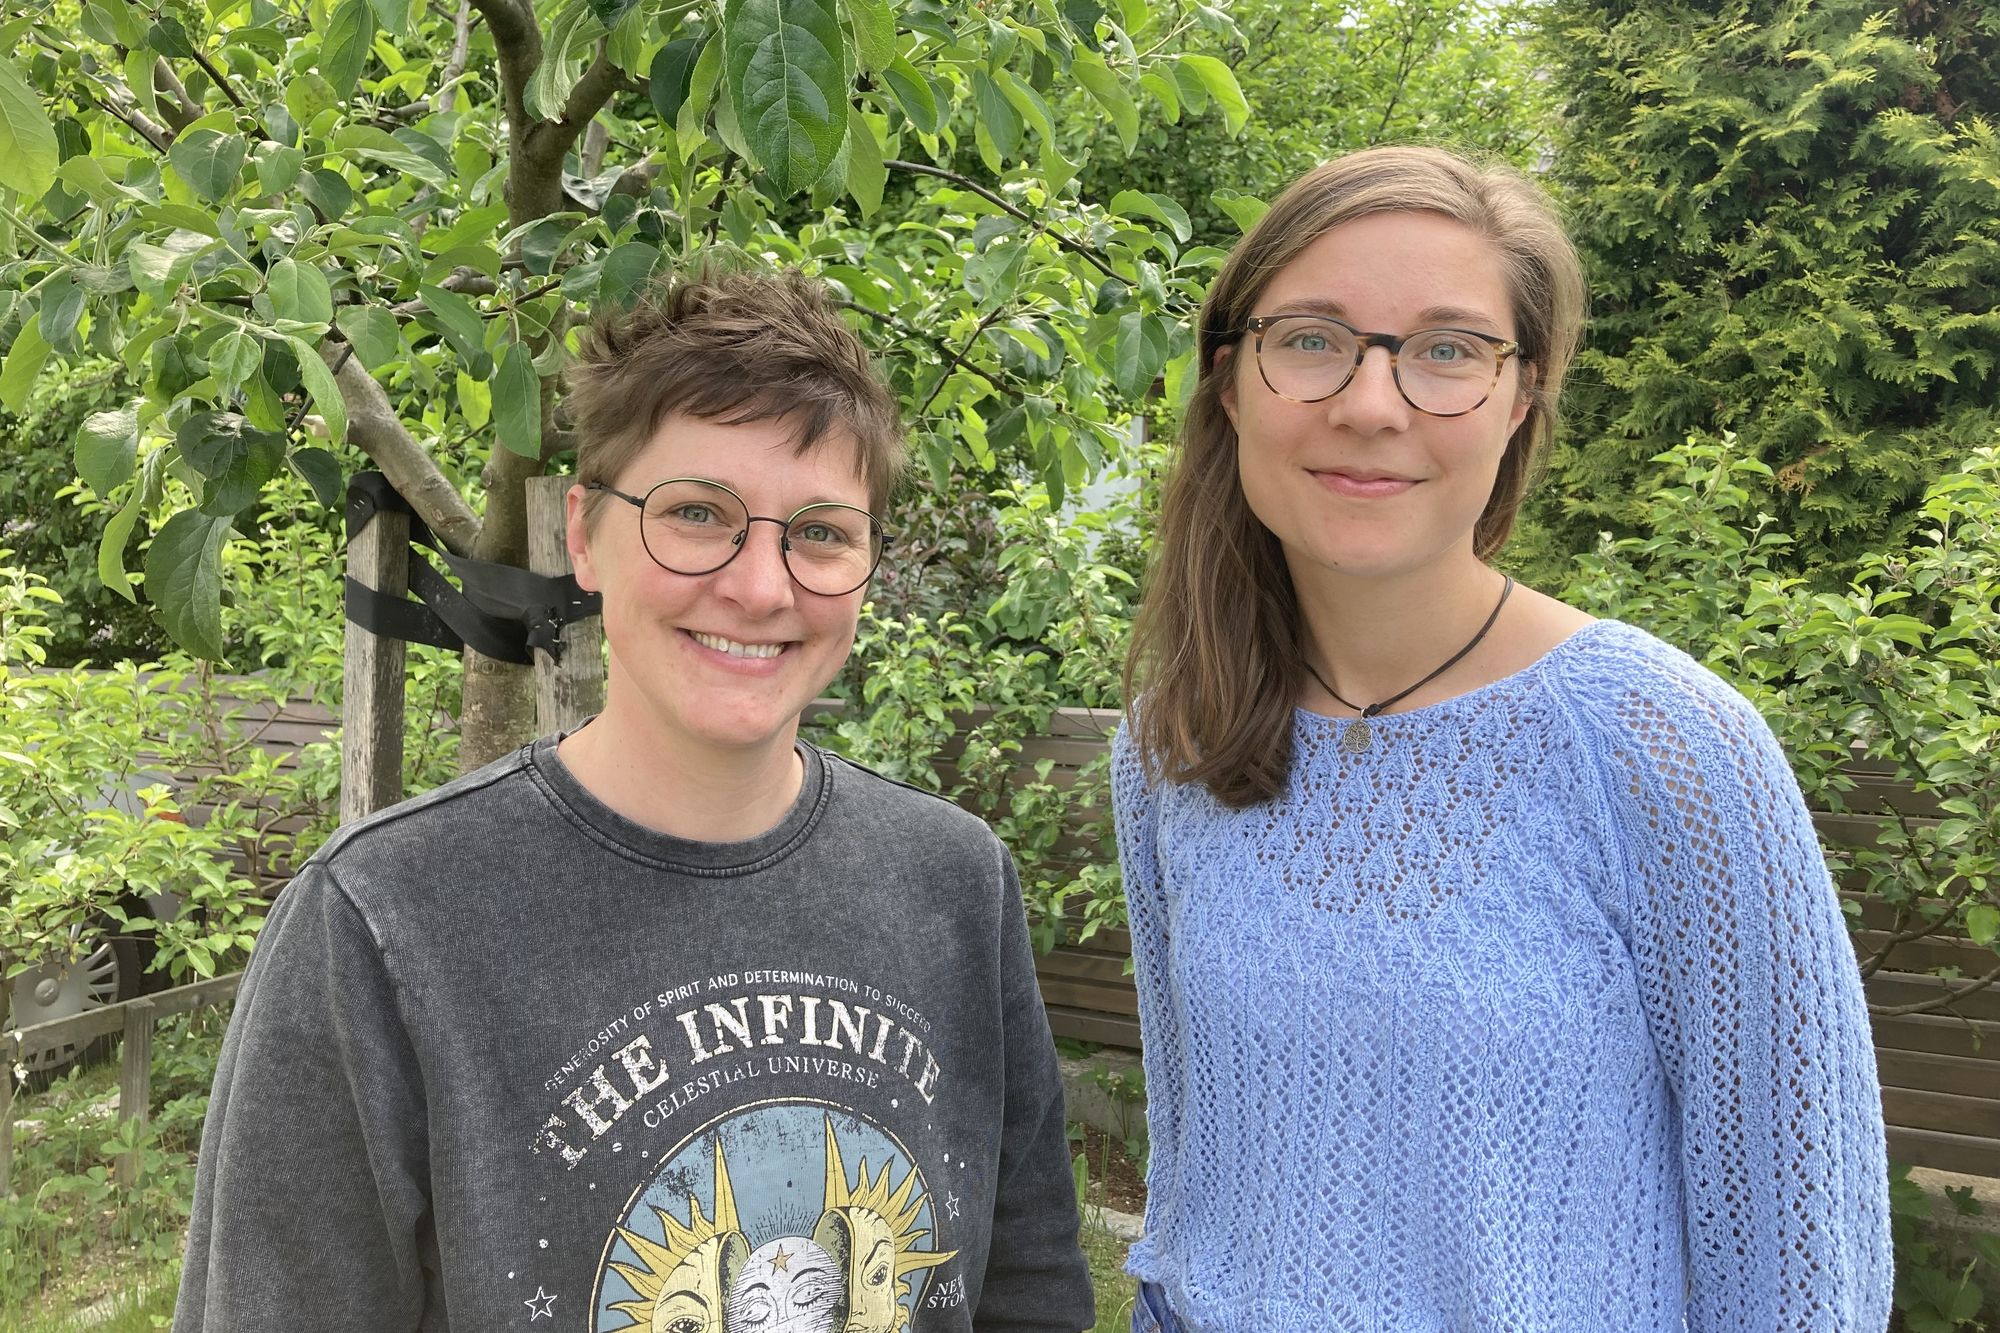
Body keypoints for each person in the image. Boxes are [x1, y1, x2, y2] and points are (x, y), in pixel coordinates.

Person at [175, 267, 1094, 1333]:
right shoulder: (381, 922)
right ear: (584, 533)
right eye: (696, 513)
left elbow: (1027, 1290)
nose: (761, 586)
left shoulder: (955, 882)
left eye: (821, 531)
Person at [1112, 145, 1891, 1331]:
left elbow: (1802, 1269)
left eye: (1446, 351)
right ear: (1228, 381)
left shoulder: (1662, 747)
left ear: (1520, 397)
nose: (1370, 404)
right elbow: (1193, 1180)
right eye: (1310, 338)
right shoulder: (1174, 739)